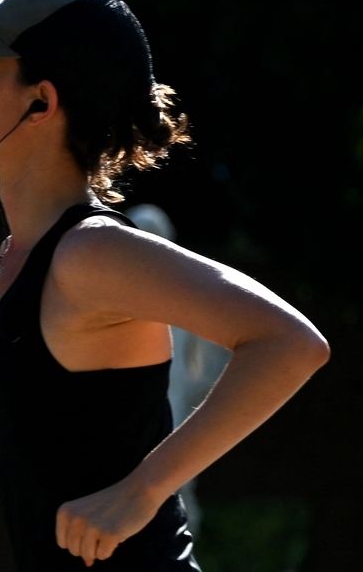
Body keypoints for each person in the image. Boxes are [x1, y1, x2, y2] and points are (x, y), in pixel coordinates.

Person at [0, 0, 330, 570]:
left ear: (41, 102)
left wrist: (145, 491)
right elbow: (87, 449)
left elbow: (292, 343)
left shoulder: (91, 252)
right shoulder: (21, 258)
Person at [124, 202, 231, 537]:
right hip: (147, 411)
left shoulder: (186, 294)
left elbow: (214, 361)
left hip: (174, 408)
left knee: (173, 490)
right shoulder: (121, 294)